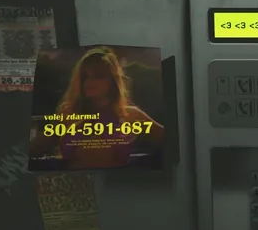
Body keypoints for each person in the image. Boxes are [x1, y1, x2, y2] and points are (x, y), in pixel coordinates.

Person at [31, 47, 164, 170]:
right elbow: (36, 147)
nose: (89, 81)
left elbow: (170, 140)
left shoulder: (130, 114)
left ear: (112, 81)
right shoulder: (68, 113)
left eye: (98, 76)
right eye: (85, 76)